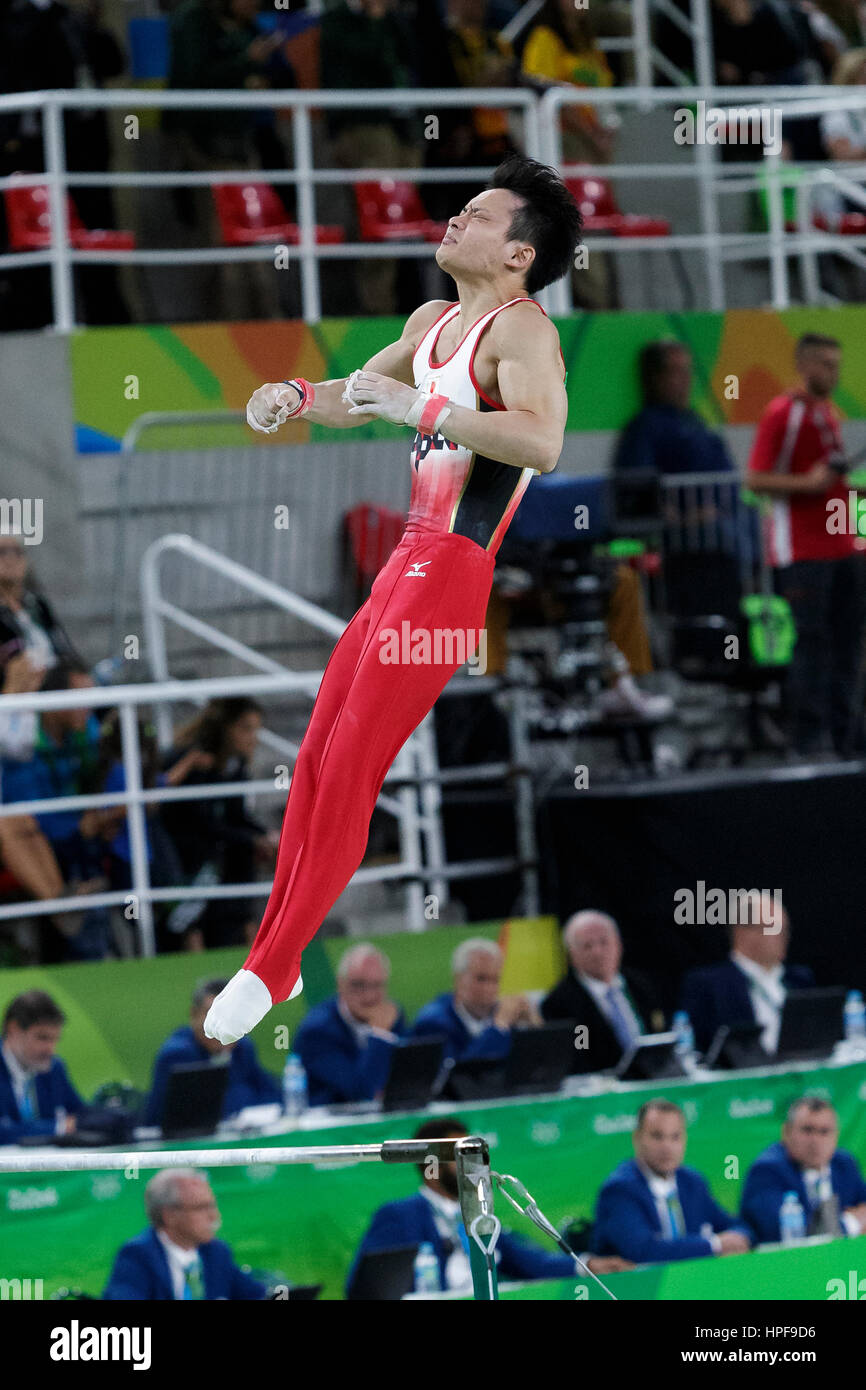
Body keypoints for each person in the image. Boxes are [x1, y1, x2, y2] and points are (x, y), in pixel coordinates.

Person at [204, 154, 582, 1045]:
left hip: (452, 571)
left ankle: (270, 966)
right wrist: (298, 395)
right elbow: (360, 396)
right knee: (314, 757)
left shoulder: (522, 335)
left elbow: (545, 443)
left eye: (478, 215)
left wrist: (420, 408)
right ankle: (278, 958)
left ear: (521, 255)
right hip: (403, 562)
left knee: (352, 768)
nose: (454, 220)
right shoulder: (434, 318)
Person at [347, 1117, 632, 1295]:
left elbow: (531, 1263)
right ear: (429, 1166)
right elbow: (366, 1289)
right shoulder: (398, 1216)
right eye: (457, 1157)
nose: (470, 1166)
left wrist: (587, 1265)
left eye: (472, 1155)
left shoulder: (479, 1211)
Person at [747, 333, 866, 755]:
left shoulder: (827, 413)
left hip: (845, 548)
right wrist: (811, 483)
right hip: (803, 551)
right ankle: (809, 743)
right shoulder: (783, 413)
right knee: (813, 645)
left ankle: (848, 740)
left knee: (849, 647)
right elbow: (756, 479)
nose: (833, 373)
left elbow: (829, 482)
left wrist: (849, 494)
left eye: (837, 364)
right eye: (826, 364)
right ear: (806, 365)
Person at [0, 662, 119, 961]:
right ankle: (62, 906)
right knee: (15, 824)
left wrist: (101, 813)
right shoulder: (24, 738)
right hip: (42, 827)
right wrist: (80, 826)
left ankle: (65, 907)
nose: (88, 706)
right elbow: (28, 807)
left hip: (60, 827)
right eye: (79, 696)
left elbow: (104, 777)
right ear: (54, 701)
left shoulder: (87, 730)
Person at [159, 698, 279, 951]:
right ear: (226, 728)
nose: (253, 738)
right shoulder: (194, 759)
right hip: (181, 847)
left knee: (247, 852)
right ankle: (195, 941)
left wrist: (266, 835)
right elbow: (199, 822)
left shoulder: (236, 764)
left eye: (256, 730)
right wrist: (252, 839)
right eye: (246, 729)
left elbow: (236, 815)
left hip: (213, 842)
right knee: (222, 855)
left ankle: (248, 934)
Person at [592, 1099, 753, 1264]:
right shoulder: (619, 1190)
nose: (667, 1146)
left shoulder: (692, 1182)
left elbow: (736, 1226)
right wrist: (713, 1245)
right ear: (637, 1138)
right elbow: (642, 1251)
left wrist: (740, 1237)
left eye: (675, 1137)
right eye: (657, 1136)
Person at [679, 894, 814, 1056]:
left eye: (786, 929)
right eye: (775, 928)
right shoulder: (708, 984)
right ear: (743, 932)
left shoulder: (799, 979)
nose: (783, 936)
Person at [103, 1168, 267, 1299]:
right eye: (201, 1208)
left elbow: (256, 1295)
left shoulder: (216, 1252)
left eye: (213, 1206)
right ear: (170, 1216)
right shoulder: (137, 1256)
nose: (214, 1216)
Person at [541, 910, 665, 1073]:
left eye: (604, 942)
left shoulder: (641, 985)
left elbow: (661, 1030)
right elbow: (579, 1052)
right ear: (572, 954)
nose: (597, 952)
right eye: (587, 946)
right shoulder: (561, 1003)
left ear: (618, 945)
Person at [144, 979, 280, 1127]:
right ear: (193, 1015)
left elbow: (273, 1095)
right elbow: (201, 1112)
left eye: (231, 1014)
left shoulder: (243, 1047)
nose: (221, 1024)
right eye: (211, 1014)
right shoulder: (177, 1055)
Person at [292, 944, 408, 1106]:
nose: (369, 996)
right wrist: (380, 1034)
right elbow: (360, 1092)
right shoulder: (317, 1031)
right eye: (359, 985)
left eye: (377, 985)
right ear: (341, 984)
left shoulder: (393, 1015)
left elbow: (409, 1080)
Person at [740, 1095, 866, 1242]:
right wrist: (852, 1222)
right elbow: (793, 1235)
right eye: (807, 1130)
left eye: (824, 1131)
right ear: (786, 1132)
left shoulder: (844, 1164)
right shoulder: (766, 1171)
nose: (816, 1140)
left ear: (836, 1135)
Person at [411, 938, 540, 1064]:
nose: (490, 988)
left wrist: (533, 1027)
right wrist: (499, 1027)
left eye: (495, 980)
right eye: (481, 979)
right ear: (458, 980)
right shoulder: (432, 1023)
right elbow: (457, 1078)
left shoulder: (500, 1012)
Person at [0, 990, 85, 1142]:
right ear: (13, 1030)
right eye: (42, 1038)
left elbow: (81, 1114)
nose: (51, 1049)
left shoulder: (54, 1067)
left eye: (55, 1040)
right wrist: (59, 1127)